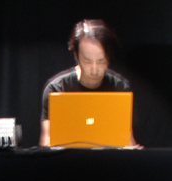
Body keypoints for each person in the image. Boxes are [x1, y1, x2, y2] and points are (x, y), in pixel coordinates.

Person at [39, 19, 141, 148]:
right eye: (87, 61)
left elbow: (127, 140)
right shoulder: (57, 88)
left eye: (101, 61)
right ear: (76, 55)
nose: (94, 70)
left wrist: (133, 151)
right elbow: (46, 141)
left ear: (109, 57)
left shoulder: (120, 88)